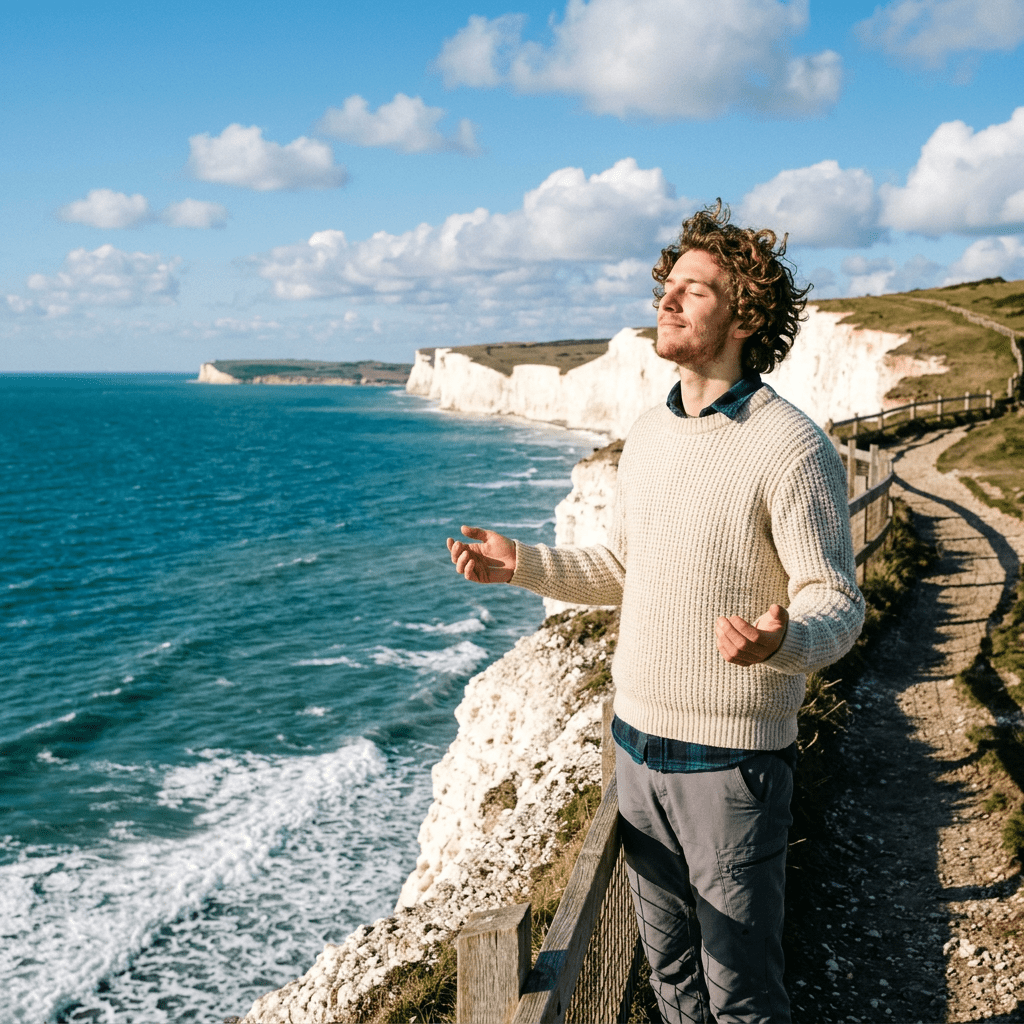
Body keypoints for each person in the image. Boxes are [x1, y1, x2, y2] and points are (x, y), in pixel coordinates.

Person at [446, 201, 863, 1024]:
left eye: (694, 291)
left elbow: (838, 604)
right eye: (667, 288)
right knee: (671, 977)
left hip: (731, 765)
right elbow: (625, 568)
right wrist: (521, 564)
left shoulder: (792, 447)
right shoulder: (647, 433)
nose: (667, 303)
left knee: (741, 992)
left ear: (745, 313)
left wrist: (785, 641)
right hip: (633, 752)